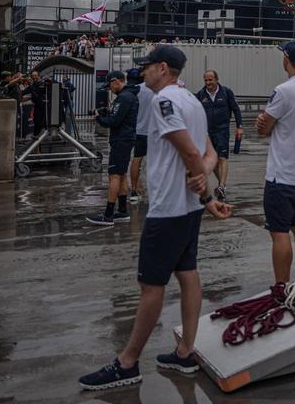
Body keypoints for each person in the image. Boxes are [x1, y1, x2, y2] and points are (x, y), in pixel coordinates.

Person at [77, 45, 230, 391]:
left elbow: (192, 153)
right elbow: (210, 154)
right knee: (187, 273)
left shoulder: (165, 103)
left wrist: (201, 178)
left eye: (146, 67)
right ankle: (185, 351)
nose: (142, 73)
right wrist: (204, 192)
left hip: (168, 209)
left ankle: (127, 362)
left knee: (151, 286)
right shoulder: (193, 101)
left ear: (163, 68)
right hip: (188, 208)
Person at [254, 40, 295, 283]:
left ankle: (280, 287)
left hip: (282, 173)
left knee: (279, 232)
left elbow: (265, 127)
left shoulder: (283, 90)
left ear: (286, 60)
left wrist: (262, 121)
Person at [87, 71, 137, 225]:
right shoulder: (128, 96)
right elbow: (118, 117)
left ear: (116, 81)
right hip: (125, 139)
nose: (110, 89)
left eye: (110, 85)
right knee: (121, 174)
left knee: (114, 175)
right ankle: (122, 211)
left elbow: (114, 121)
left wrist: (98, 118)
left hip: (121, 140)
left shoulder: (124, 97)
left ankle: (108, 215)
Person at [196, 70, 242, 202]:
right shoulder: (200, 95)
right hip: (207, 132)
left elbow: (236, 109)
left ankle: (221, 185)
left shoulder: (226, 92)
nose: (208, 83)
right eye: (206, 80)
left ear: (217, 79)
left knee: (222, 158)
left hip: (222, 130)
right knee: (214, 160)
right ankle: (221, 185)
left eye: (210, 80)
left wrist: (240, 126)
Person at [129, 68, 152, 202]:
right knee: (158, 162)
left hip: (140, 130)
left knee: (137, 159)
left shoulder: (136, 89)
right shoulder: (158, 88)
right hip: (156, 132)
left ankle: (133, 190)